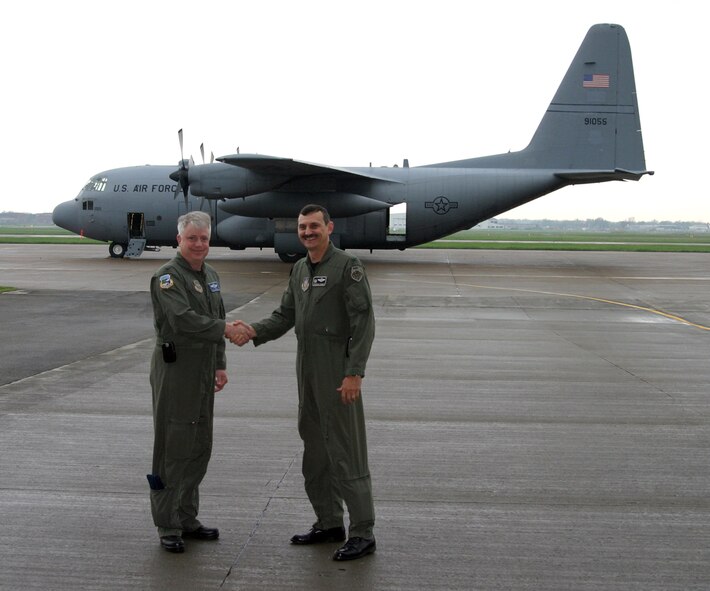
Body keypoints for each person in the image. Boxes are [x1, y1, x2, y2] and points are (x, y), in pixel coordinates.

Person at [235, 204, 377, 561]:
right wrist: (254, 331)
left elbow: (363, 322)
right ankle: (329, 522)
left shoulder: (347, 267)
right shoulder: (299, 268)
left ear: (329, 227)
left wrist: (354, 373)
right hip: (307, 370)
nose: (308, 232)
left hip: (337, 372)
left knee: (347, 453)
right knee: (315, 454)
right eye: (303, 227)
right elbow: (285, 315)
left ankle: (363, 532)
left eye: (314, 226)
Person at [147, 211, 242, 553]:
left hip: (203, 368)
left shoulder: (211, 274)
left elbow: (217, 317)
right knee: (173, 446)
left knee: (200, 442)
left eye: (204, 238)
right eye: (192, 238)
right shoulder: (167, 277)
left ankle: (187, 516)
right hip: (177, 370)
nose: (199, 244)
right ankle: (167, 523)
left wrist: (219, 364)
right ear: (179, 240)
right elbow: (183, 320)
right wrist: (225, 330)